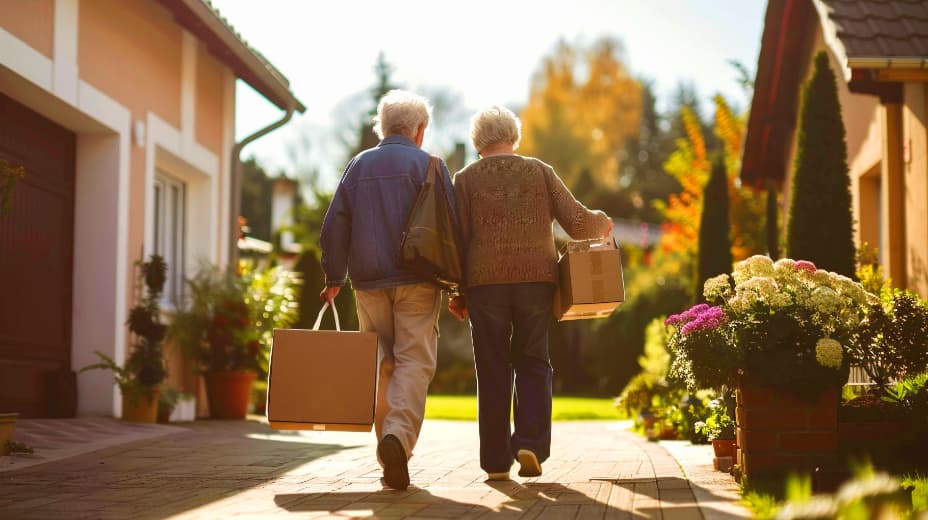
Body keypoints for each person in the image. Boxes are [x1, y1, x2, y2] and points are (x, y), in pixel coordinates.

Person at [451, 105, 613, 481]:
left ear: (478, 142)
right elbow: (576, 222)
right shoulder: (539, 171)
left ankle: (494, 462)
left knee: (491, 368)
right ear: (514, 136)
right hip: (536, 281)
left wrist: (457, 292)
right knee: (533, 360)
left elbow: (458, 240)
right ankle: (530, 442)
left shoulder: (465, 179)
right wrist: (603, 223)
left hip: (483, 284)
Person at [319, 89, 458, 491]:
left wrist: (333, 278)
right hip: (418, 280)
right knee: (414, 360)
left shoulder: (358, 165)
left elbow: (335, 225)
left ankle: (387, 454)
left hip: (367, 283)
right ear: (419, 131)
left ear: (382, 127)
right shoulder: (430, 165)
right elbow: (451, 230)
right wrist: (458, 288)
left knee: (381, 363)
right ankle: (398, 437)